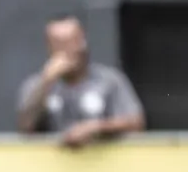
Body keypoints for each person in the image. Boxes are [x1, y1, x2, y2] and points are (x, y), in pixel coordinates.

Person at [16, 14, 146, 147]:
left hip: (100, 158)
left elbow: (135, 123)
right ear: (49, 47)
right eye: (59, 43)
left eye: (71, 41)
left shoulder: (109, 80)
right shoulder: (36, 85)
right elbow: (25, 128)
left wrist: (96, 128)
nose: (66, 50)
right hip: (52, 159)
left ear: (84, 42)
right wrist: (46, 82)